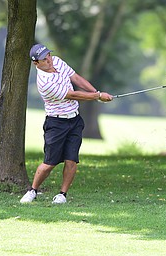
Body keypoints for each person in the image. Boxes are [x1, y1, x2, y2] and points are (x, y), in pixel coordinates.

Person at [20, 43, 113, 204]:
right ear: (36, 63)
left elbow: (76, 78)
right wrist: (98, 96)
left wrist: (95, 92)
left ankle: (62, 195)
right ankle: (33, 190)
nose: (49, 60)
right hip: (56, 123)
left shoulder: (56, 61)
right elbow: (72, 95)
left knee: (71, 159)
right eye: (44, 59)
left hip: (74, 120)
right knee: (49, 163)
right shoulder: (44, 83)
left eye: (48, 55)